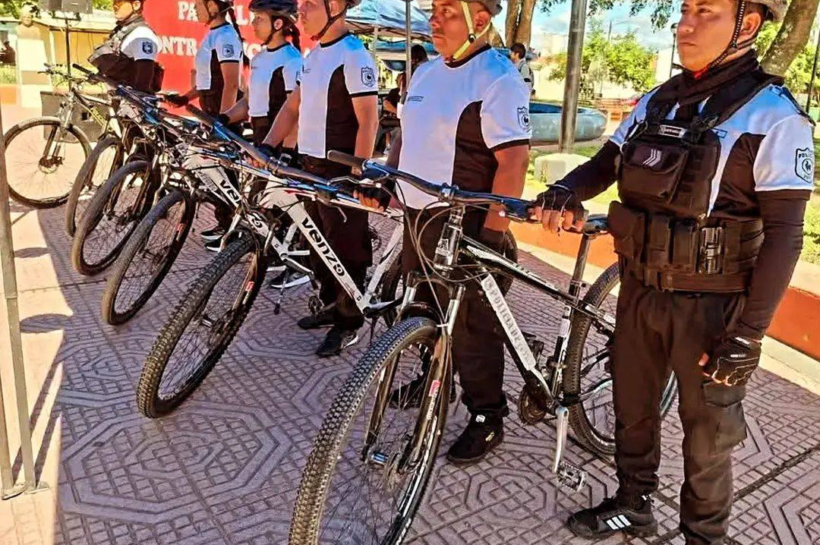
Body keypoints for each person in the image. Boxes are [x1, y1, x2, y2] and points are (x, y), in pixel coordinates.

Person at [534, 1, 808, 543]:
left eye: (706, 12)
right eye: (684, 10)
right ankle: (633, 504)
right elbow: (607, 163)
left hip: (713, 308)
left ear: (748, 24)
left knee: (708, 438)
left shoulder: (773, 116)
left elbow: (786, 235)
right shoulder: (657, 101)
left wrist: (748, 336)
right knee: (632, 409)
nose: (686, 24)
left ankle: (704, 535)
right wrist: (566, 189)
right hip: (639, 289)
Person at [358, 0, 531, 464]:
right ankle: (434, 375)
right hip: (419, 217)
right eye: (434, 9)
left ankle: (487, 415)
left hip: (468, 224)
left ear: (480, 20)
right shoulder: (426, 73)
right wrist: (386, 179)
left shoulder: (498, 78)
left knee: (473, 327)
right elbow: (404, 135)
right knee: (424, 307)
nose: (435, 19)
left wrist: (492, 236)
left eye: (448, 10)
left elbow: (514, 162)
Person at [261, 0, 379, 357]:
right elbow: (292, 106)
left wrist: (357, 174)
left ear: (336, 6)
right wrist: (266, 145)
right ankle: (331, 304)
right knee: (316, 243)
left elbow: (369, 120)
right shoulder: (312, 57)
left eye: (310, 4)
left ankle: (349, 320)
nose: (301, 12)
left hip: (339, 173)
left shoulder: (354, 56)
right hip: (308, 166)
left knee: (345, 250)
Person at [166, 0, 245, 251]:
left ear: (213, 6)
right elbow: (206, 81)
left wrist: (224, 123)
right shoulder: (213, 35)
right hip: (210, 114)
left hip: (223, 118)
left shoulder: (226, 37)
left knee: (225, 176)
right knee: (214, 173)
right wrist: (184, 98)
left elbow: (231, 84)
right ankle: (224, 222)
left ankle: (233, 229)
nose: (195, 8)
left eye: (199, 4)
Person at [87, 0, 162, 93]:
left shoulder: (142, 34)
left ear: (136, 5)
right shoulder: (123, 30)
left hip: (130, 98)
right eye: (114, 2)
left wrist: (136, 97)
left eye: (119, 1)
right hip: (117, 94)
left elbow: (145, 72)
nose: (115, 6)